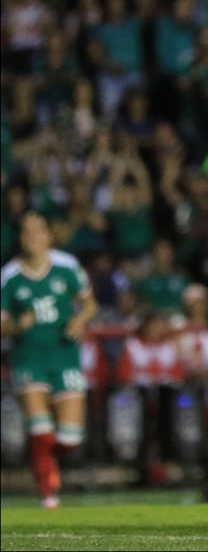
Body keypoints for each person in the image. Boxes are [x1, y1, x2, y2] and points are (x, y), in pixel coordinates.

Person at [0, 211, 100, 509]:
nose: (32, 236)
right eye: (26, 231)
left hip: (65, 355)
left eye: (38, 230)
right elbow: (2, 324)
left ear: (48, 235)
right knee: (40, 428)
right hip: (28, 358)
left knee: (69, 439)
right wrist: (18, 326)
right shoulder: (9, 276)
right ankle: (47, 493)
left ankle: (45, 460)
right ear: (20, 238)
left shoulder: (67, 266)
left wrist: (80, 320)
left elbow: (90, 304)